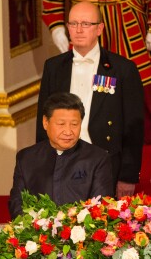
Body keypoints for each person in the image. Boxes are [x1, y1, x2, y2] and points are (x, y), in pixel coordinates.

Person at [36, 1, 144, 199]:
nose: (78, 30)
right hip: (62, 161)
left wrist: (128, 176)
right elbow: (43, 122)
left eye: (86, 24)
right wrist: (44, 167)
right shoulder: (53, 67)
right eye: (73, 24)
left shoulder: (123, 69)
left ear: (100, 28)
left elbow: (133, 128)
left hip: (106, 163)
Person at [42, 0, 151, 144]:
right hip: (83, 24)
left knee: (138, 96)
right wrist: (56, 25)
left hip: (128, 26)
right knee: (79, 92)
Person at [9, 92, 114, 220]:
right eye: (61, 124)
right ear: (45, 122)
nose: (68, 131)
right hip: (36, 234)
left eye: (74, 124)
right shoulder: (26, 158)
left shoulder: (98, 159)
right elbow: (17, 203)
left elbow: (101, 207)